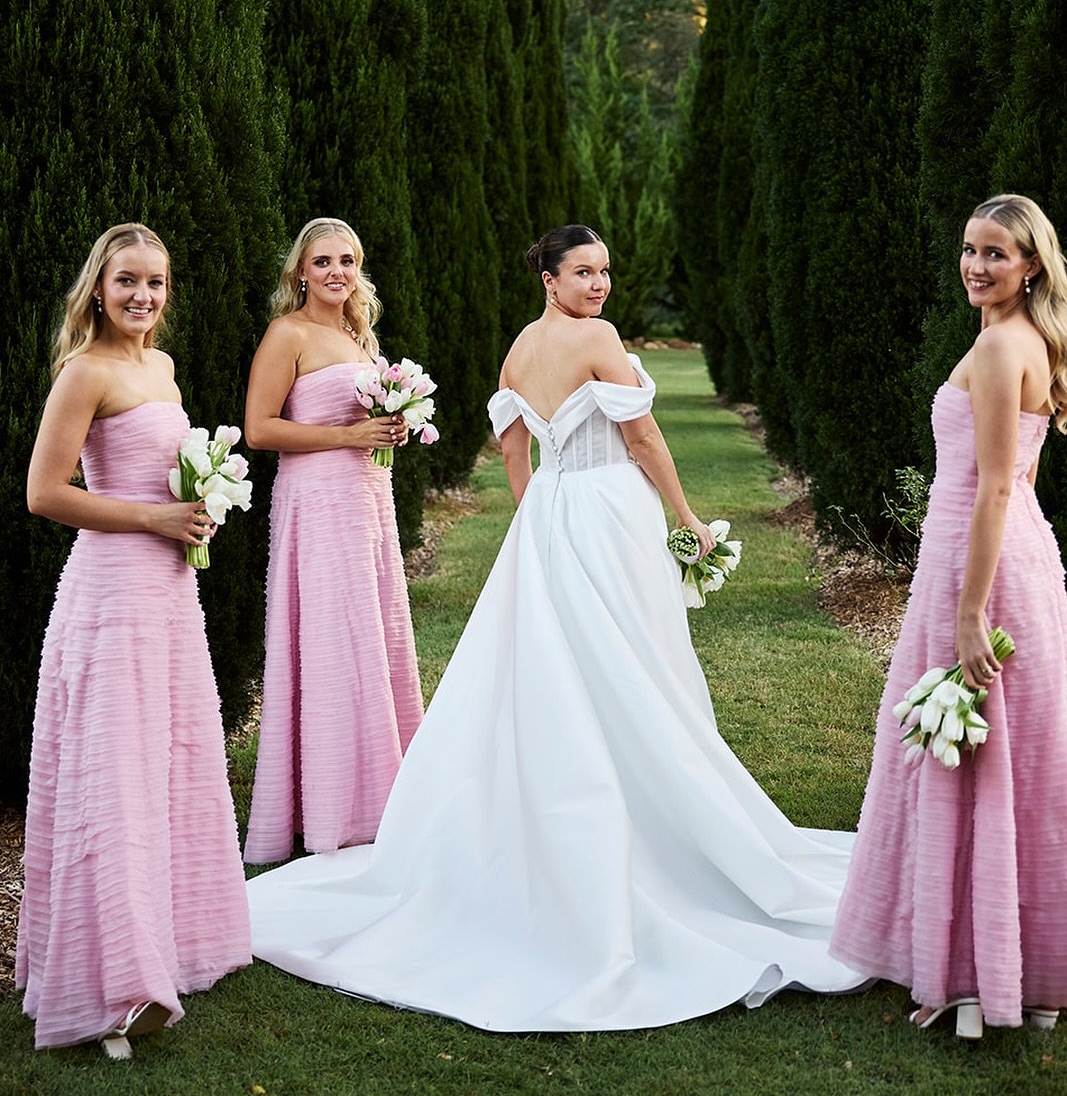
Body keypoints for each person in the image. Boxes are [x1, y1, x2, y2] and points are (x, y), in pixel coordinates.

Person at [245, 224, 866, 1032]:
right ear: (549, 276)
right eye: (583, 271)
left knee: (556, 671)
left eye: (604, 271)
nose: (599, 284)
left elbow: (514, 450)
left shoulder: (516, 351)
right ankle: (657, 817)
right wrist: (686, 519)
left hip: (551, 518)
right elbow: (641, 437)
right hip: (609, 512)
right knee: (638, 669)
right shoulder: (597, 339)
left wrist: (538, 511)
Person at [830, 194, 1067, 1038]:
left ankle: (970, 969)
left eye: (995, 253)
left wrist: (971, 612)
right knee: (978, 759)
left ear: (1030, 264)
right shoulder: (1010, 336)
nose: (975, 265)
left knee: (977, 758)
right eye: (968, 249)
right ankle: (978, 958)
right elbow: (1020, 479)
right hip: (987, 557)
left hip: (984, 575)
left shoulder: (1005, 344)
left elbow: (998, 484)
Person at [16, 223, 251, 1057]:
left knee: (168, 762)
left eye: (155, 282)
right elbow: (45, 492)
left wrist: (197, 506)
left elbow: (166, 472)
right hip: (110, 595)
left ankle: (170, 947)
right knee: (112, 775)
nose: (142, 295)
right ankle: (110, 985)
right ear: (99, 287)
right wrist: (153, 514)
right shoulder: (85, 371)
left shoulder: (162, 367)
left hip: (168, 593)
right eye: (127, 281)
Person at [242, 218, 423, 864]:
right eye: (322, 261)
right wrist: (349, 437)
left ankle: (381, 790)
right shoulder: (287, 333)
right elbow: (259, 429)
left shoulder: (357, 335)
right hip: (316, 502)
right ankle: (324, 804)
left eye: (346, 260)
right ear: (300, 271)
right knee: (327, 638)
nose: (335, 272)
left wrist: (389, 427)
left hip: (366, 500)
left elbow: (363, 420)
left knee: (372, 634)